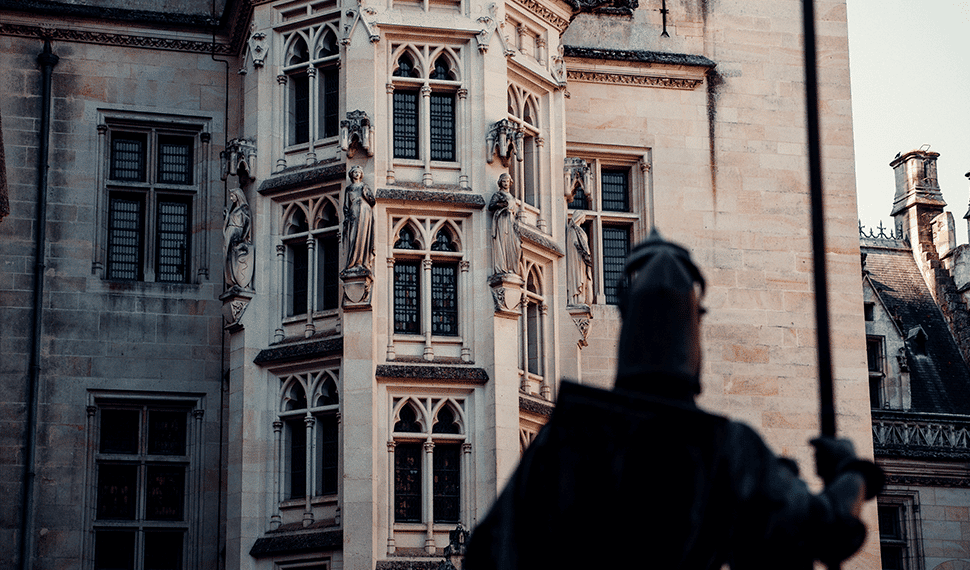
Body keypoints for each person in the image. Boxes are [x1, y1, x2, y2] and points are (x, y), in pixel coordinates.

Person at [465, 230, 883, 570]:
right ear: (694, 327)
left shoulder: (569, 440)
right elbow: (827, 528)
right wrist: (852, 470)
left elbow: (487, 554)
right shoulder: (727, 449)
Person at [343, 165, 375, 272]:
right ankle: (353, 261)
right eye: (355, 172)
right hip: (354, 213)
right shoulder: (349, 189)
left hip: (365, 211)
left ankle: (361, 261)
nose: (357, 174)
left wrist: (366, 195)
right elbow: (346, 206)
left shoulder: (364, 186)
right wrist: (347, 217)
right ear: (351, 174)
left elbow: (372, 201)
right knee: (353, 237)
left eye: (359, 172)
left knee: (363, 236)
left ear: (361, 175)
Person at [488, 173, 521, 276]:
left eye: (507, 181)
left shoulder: (512, 197)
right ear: (500, 183)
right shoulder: (498, 195)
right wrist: (501, 204)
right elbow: (491, 206)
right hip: (502, 220)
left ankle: (511, 267)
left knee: (516, 246)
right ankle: (503, 267)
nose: (506, 183)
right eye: (504, 181)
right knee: (503, 242)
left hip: (511, 222)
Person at [223, 187, 253, 290]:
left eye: (232, 196)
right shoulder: (233, 209)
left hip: (237, 233)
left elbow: (247, 224)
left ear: (238, 195)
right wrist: (227, 216)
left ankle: (236, 280)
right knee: (227, 257)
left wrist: (243, 238)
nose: (231, 198)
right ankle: (230, 280)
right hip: (229, 233)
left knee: (233, 257)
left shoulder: (244, 208)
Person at [565, 211, 592, 305]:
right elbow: (574, 244)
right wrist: (583, 251)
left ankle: (580, 297)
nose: (585, 219)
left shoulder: (578, 229)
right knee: (577, 277)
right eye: (584, 217)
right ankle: (576, 298)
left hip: (582, 260)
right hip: (577, 260)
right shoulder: (573, 230)